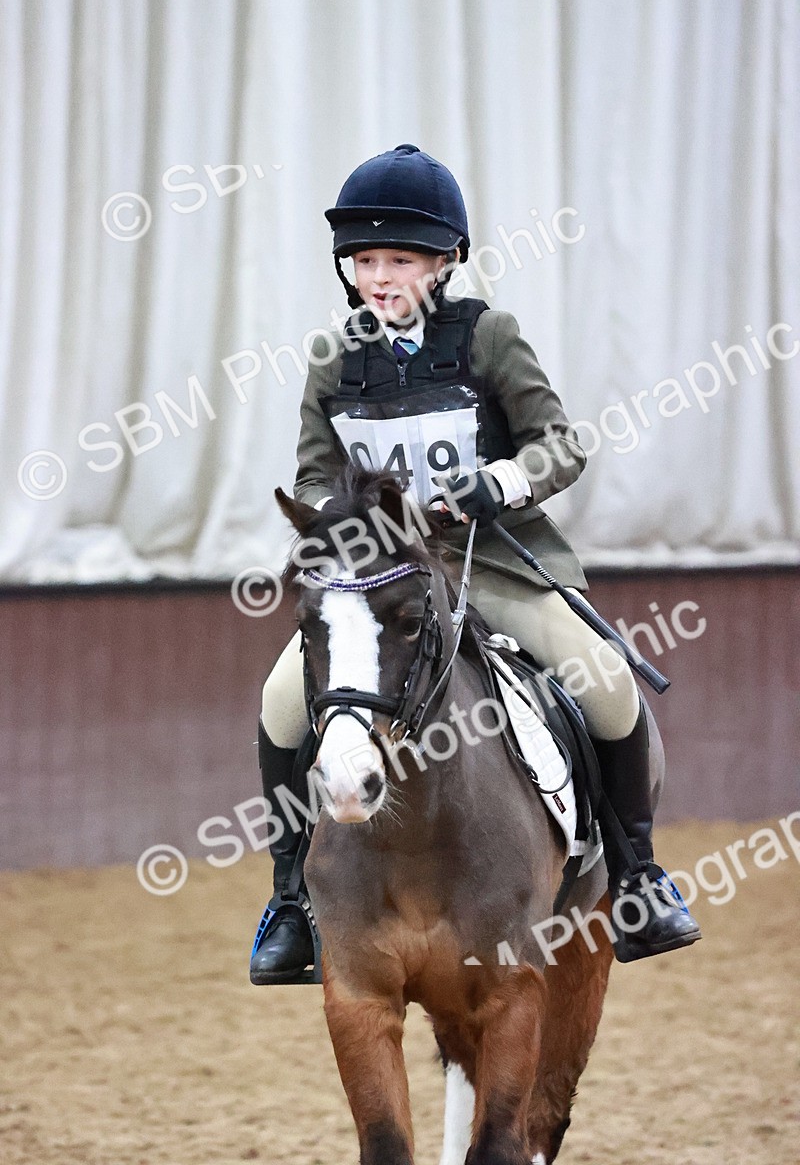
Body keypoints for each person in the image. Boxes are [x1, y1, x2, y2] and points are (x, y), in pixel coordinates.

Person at [250, 144, 700, 983]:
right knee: (281, 706)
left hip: (488, 561)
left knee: (606, 685)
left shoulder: (488, 337)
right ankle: (290, 903)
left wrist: (502, 479)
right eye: (365, 259)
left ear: (444, 261)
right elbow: (314, 469)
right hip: (383, 578)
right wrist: (335, 518)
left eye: (401, 259)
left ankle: (638, 874)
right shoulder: (332, 357)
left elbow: (558, 444)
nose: (379, 275)